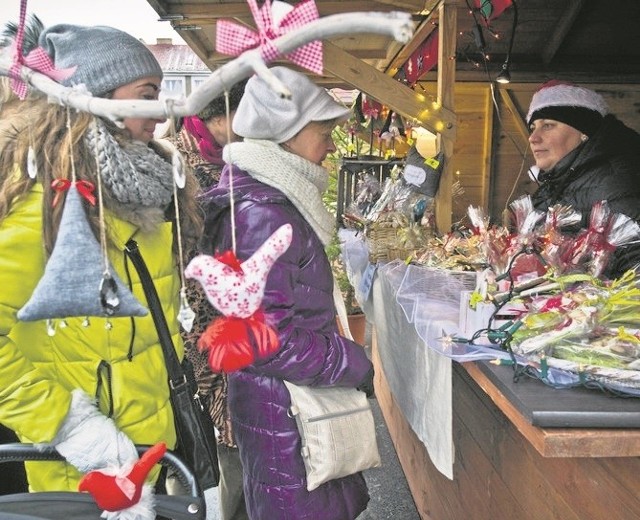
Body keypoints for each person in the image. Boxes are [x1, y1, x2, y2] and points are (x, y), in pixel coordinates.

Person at [0, 23, 202, 517]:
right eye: (146, 96)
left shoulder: (143, 189)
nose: (159, 112)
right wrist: (71, 425)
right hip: (82, 468)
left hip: (145, 449)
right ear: (94, 99)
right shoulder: (51, 207)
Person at [199, 66, 374, 520]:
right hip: (285, 411)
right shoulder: (263, 211)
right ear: (287, 135)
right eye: (323, 132)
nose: (332, 146)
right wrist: (353, 363)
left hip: (284, 405)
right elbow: (263, 339)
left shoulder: (273, 198)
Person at [165, 81, 250, 520]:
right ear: (219, 113)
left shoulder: (237, 160)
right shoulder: (173, 161)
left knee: (232, 433)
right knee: (190, 432)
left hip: (232, 316)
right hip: (189, 322)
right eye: (246, 114)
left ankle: (233, 512)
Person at [526, 80, 640, 278]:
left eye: (548, 126)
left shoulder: (612, 184)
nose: (533, 138)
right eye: (533, 127)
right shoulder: (557, 181)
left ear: (583, 133)